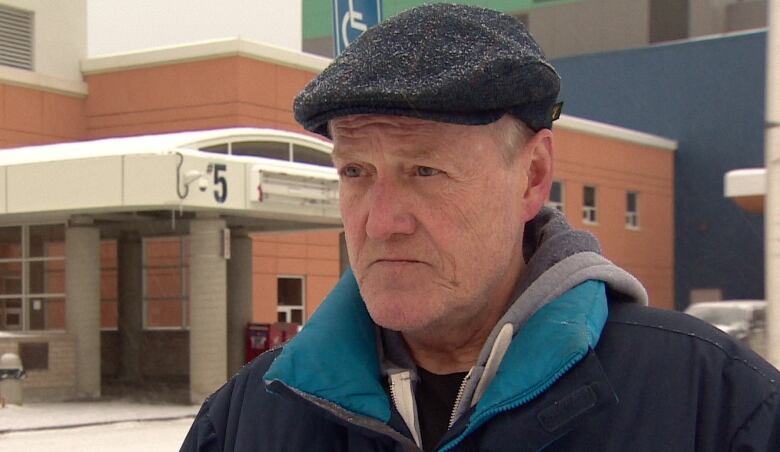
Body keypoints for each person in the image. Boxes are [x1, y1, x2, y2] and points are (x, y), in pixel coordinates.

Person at [181, 4, 780, 451]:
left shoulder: (717, 409)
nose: (382, 221)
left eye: (425, 169)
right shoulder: (246, 421)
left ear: (532, 176)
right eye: (357, 171)